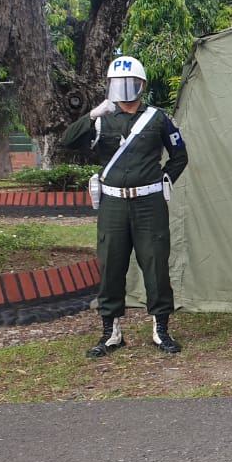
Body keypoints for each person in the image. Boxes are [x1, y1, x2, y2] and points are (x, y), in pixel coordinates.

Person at [61, 56, 188, 357]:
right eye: (118, 84)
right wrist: (92, 115)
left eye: (131, 83)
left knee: (155, 263)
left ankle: (160, 328)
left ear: (142, 85)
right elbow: (66, 141)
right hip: (113, 203)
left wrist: (164, 179)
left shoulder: (158, 118)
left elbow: (179, 155)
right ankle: (111, 332)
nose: (125, 89)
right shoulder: (103, 118)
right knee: (111, 265)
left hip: (149, 202)